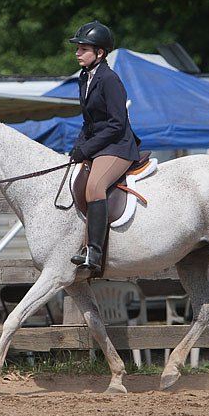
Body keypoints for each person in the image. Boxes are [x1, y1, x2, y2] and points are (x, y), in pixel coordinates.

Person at [67, 21, 140, 271]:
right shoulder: (85, 77)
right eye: (77, 48)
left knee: (95, 185)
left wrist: (87, 149)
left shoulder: (110, 79)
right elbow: (88, 121)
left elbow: (117, 124)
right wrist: (77, 148)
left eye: (83, 49)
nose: (77, 53)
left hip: (118, 145)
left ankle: (94, 253)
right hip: (99, 144)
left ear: (100, 53)